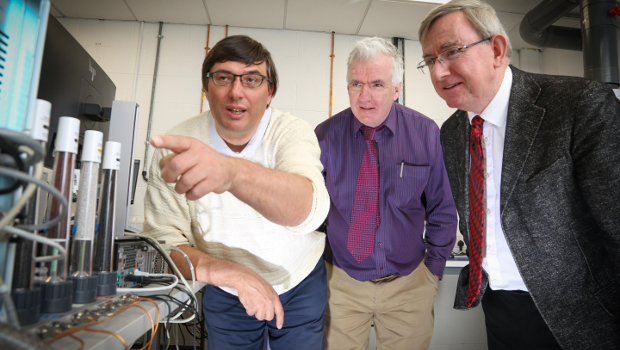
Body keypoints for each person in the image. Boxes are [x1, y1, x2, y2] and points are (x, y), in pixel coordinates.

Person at [418, 1, 620, 349]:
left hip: (579, 315)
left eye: (451, 52)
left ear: (496, 49)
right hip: (499, 309)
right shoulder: (450, 133)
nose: (438, 73)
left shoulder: (578, 104)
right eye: (430, 61)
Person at [143, 35, 330, 349]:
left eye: (252, 79)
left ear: (269, 92)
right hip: (225, 286)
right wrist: (231, 274)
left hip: (298, 279)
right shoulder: (177, 145)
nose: (236, 91)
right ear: (206, 87)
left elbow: (309, 212)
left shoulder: (291, 131)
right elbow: (163, 244)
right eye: (223, 77)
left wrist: (230, 172)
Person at [315, 37, 458, 350]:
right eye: (356, 83)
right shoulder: (324, 136)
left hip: (409, 284)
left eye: (377, 84)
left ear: (396, 88)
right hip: (341, 285)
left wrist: (432, 272)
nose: (364, 96)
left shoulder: (425, 133)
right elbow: (311, 213)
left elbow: (442, 209)